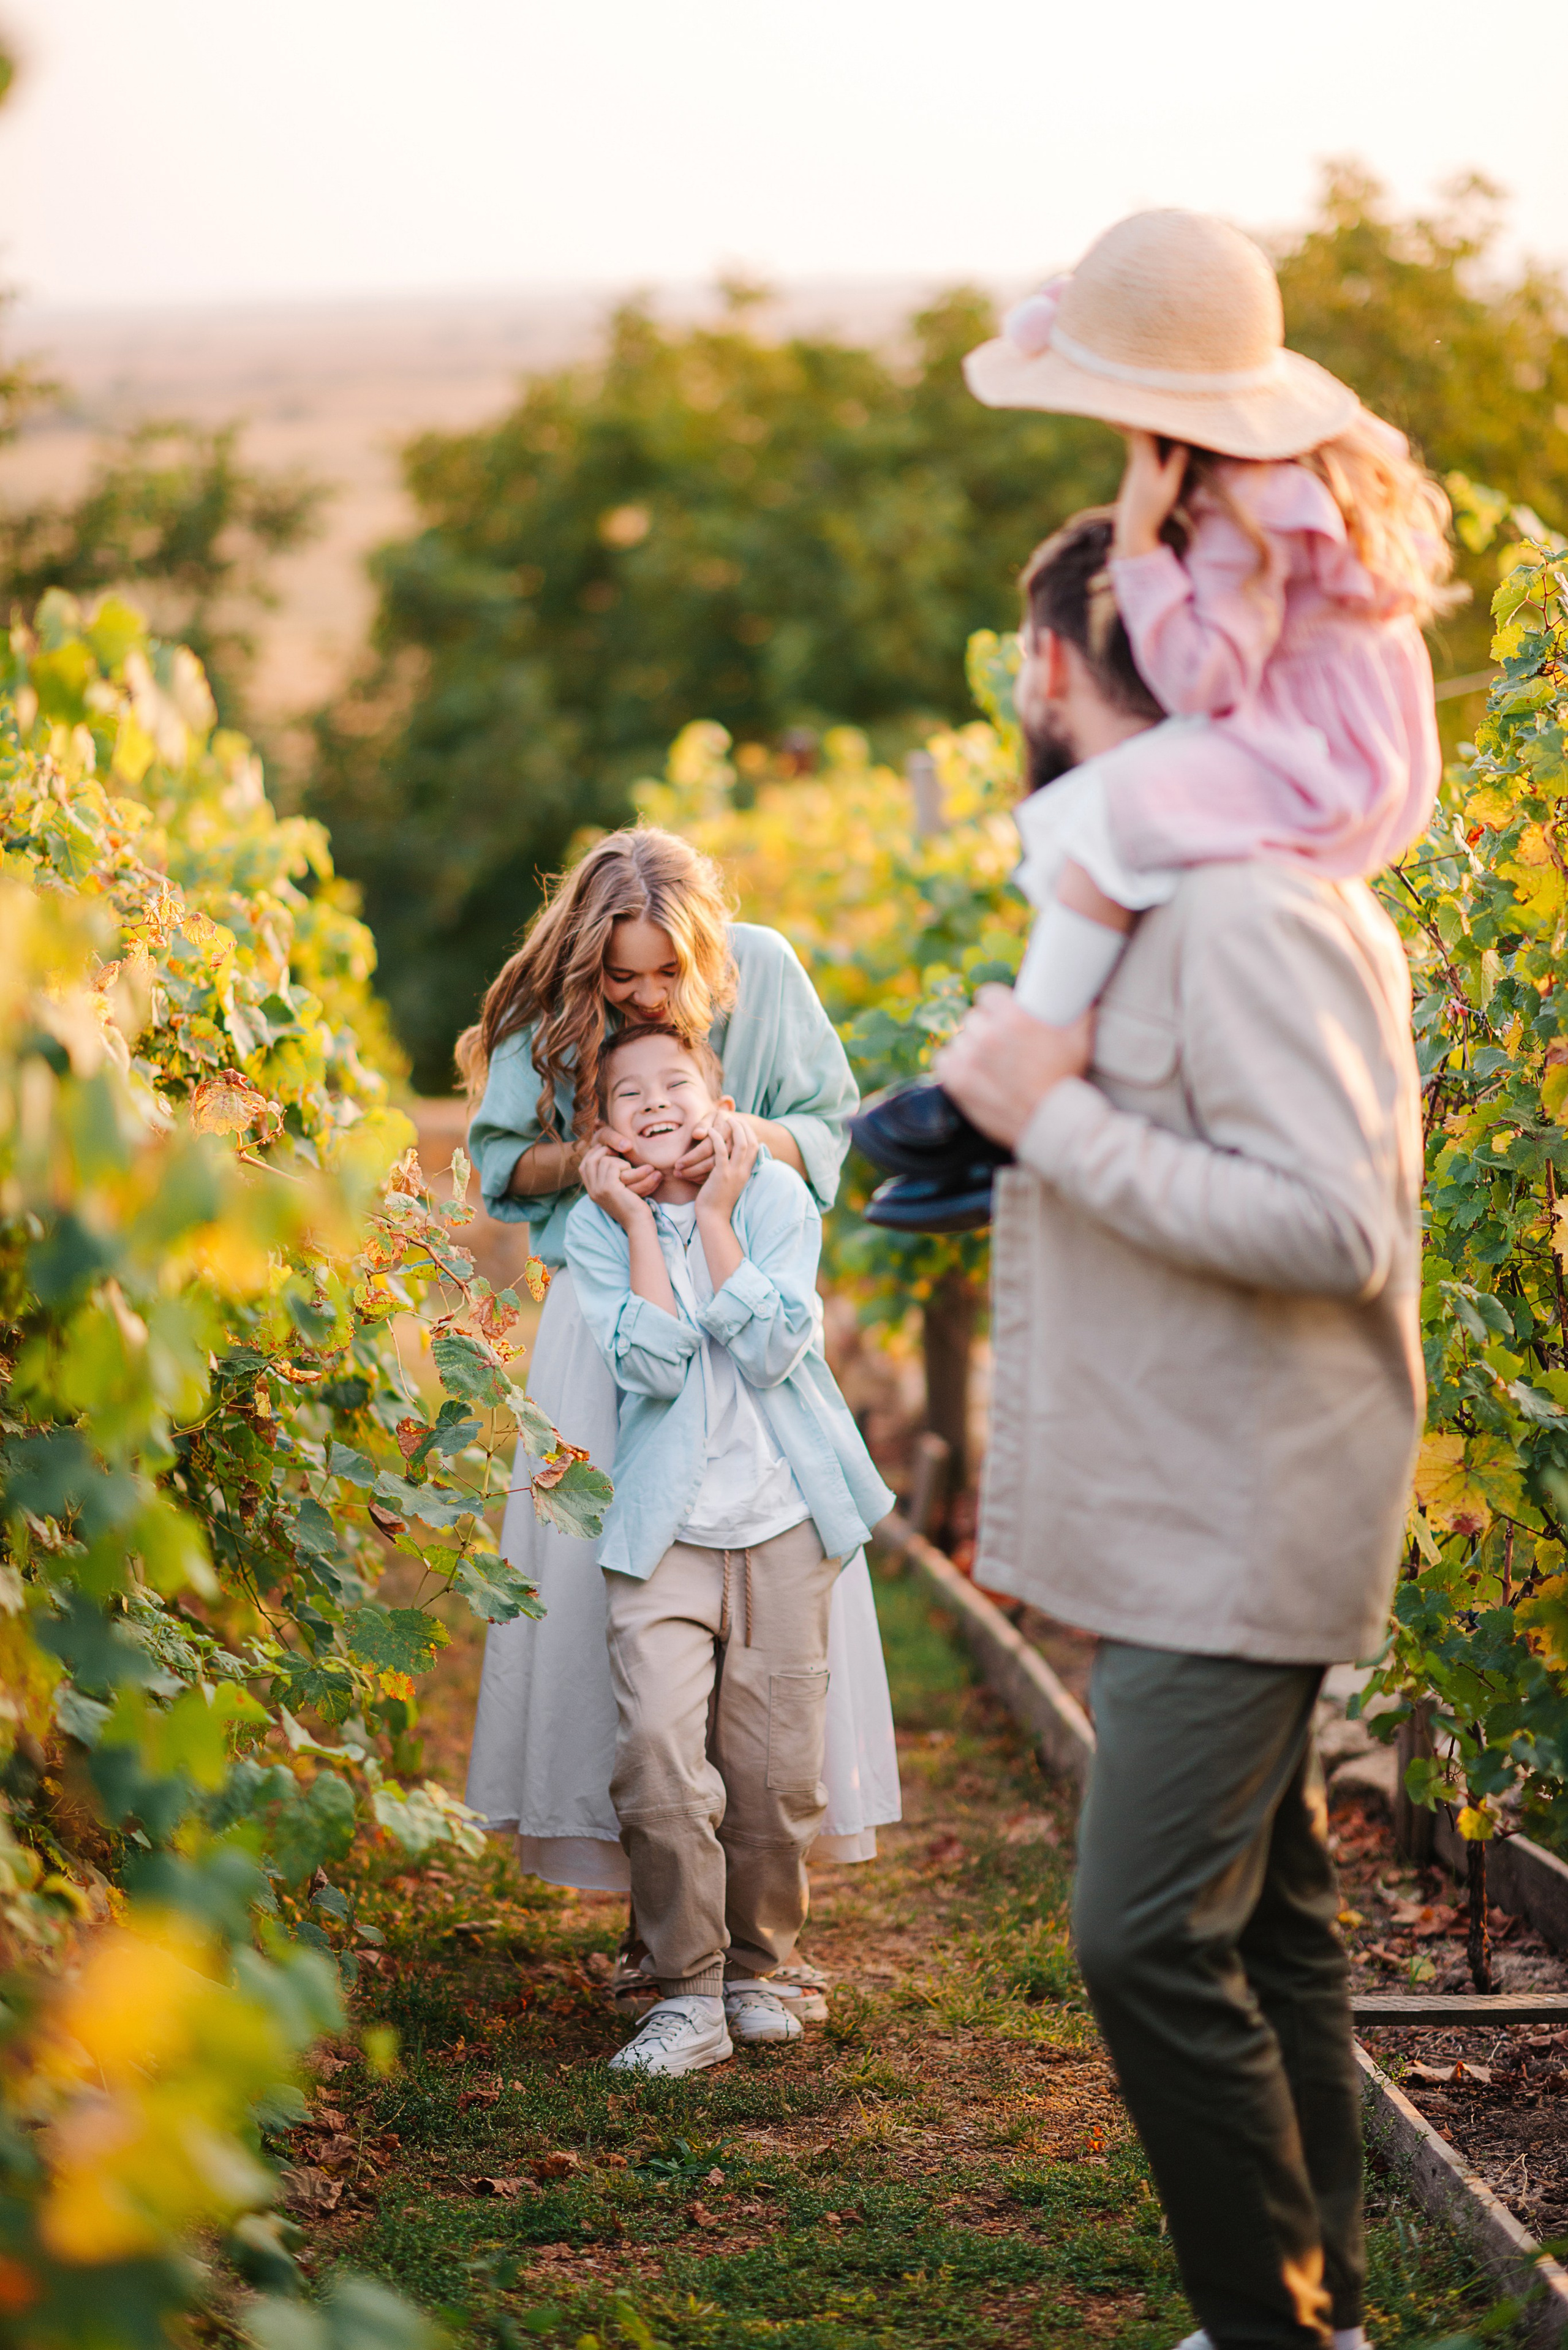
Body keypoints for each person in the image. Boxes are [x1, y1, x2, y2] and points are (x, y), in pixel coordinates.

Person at [936, 509, 1423, 2350]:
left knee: (1141, 1932)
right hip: (1196, 1496)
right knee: (1275, 1917)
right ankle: (1320, 2318)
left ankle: (1273, 2329)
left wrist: (1047, 1122)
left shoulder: (1241, 908)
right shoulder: (1179, 888)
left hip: (1248, 1509)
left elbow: (1331, 1225)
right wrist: (986, 1130)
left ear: (1058, 670)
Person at [462, 826, 900, 1912]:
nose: (651, 996)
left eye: (671, 972)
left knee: (763, 1609)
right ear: (585, 962)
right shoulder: (547, 1003)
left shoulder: (769, 967)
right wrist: (589, 1159)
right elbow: (498, 1164)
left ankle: (757, 1916)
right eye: (624, 977)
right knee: (612, 1611)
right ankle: (652, 1918)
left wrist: (732, 1137)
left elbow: (832, 1132)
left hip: (749, 1308)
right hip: (607, 1325)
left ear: (708, 948)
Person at [963, 206, 1453, 1028]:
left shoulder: (1243, 511)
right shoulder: (1290, 482)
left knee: (1104, 815)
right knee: (1113, 807)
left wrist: (1138, 543)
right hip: (1348, 745)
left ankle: (1034, 1034)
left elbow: (1203, 681)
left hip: (1313, 758)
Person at [564, 1023, 894, 2074]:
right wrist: (641, 1221)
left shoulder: (777, 1201)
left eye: (677, 1082)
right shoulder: (595, 1228)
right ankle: (687, 1993)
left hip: (783, 1521)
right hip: (665, 1531)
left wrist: (710, 1214)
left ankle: (756, 1968)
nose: (655, 1101)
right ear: (606, 1130)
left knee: (776, 1773)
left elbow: (769, 1343)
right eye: (628, 1094)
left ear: (716, 1099)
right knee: (657, 1757)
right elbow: (656, 1364)